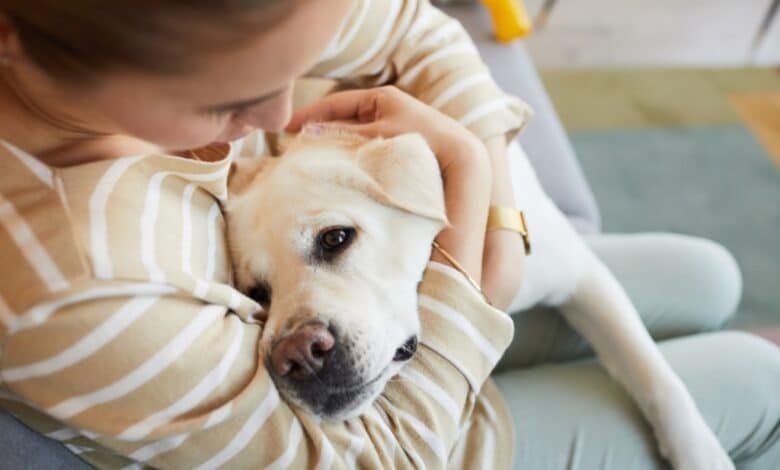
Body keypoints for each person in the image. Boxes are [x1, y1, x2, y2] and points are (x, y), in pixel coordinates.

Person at [0, 1, 777, 469]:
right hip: (397, 446)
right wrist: (468, 182)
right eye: (222, 102)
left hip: (401, 330)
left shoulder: (235, 21)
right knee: (759, 379)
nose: (279, 120)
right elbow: (385, 459)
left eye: (295, 68)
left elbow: (414, 28)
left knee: (706, 278)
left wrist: (493, 219)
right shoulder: (68, 281)